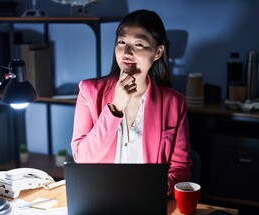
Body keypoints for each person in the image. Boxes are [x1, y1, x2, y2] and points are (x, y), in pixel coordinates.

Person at [71, 9, 191, 198]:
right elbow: (83, 158)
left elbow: (180, 169)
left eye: (139, 44)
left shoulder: (174, 103)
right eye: (121, 42)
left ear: (158, 51)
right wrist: (115, 108)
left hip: (149, 202)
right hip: (101, 199)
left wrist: (150, 191)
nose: (126, 52)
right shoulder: (89, 92)